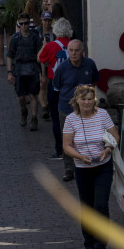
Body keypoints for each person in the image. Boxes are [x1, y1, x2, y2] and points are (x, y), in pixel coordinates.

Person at [63, 85, 119, 249]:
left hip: (102, 166)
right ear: (77, 100)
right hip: (82, 168)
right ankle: (89, 246)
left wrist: (108, 150)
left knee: (100, 205)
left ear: (94, 100)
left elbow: (115, 136)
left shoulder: (102, 115)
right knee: (86, 207)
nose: (86, 102)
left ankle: (101, 248)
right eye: (83, 99)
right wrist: (79, 156)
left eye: (89, 99)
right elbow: (67, 146)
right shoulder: (71, 119)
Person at [52, 40, 99, 182]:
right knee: (68, 139)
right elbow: (56, 86)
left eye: (76, 50)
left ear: (82, 51)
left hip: (86, 110)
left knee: (87, 137)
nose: (73, 53)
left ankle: (87, 164)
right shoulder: (62, 68)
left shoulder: (90, 64)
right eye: (71, 50)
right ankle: (68, 168)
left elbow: (94, 81)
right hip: (66, 109)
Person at [39, 18, 73, 160]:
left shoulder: (51, 46)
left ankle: (59, 149)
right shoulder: (74, 45)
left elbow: (41, 58)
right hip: (71, 85)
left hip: (55, 85)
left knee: (55, 118)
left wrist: (44, 46)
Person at [7, 13, 42, 131]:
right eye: (21, 24)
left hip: (32, 68)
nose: (23, 26)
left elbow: (40, 55)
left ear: (29, 24)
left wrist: (42, 73)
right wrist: (9, 72)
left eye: (26, 23)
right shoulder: (14, 39)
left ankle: (34, 118)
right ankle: (23, 111)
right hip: (19, 69)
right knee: (21, 97)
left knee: (33, 95)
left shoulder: (35, 37)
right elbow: (10, 56)